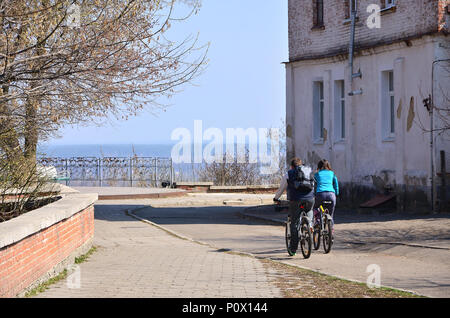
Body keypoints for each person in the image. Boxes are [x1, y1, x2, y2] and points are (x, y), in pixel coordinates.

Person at [273, 157, 315, 255]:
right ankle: (310, 224)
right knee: (309, 210)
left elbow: (282, 188)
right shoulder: (309, 172)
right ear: (301, 164)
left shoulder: (289, 173)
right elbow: (314, 184)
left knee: (294, 223)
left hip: (295, 200)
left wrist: (276, 198)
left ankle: (293, 249)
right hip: (310, 199)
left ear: (292, 166)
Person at [314, 159, 339, 227]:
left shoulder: (317, 174)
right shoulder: (332, 173)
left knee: (316, 207)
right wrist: (336, 193)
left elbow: (313, 184)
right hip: (331, 195)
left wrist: (314, 194)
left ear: (319, 166)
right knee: (331, 215)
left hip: (320, 194)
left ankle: (318, 220)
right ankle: (331, 230)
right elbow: (336, 184)